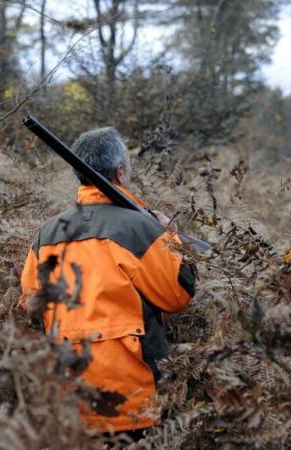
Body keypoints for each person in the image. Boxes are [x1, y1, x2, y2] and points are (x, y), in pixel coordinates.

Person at [20, 127, 195, 434]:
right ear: (119, 172)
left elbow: (31, 305)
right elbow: (180, 294)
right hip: (131, 399)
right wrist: (172, 237)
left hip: (67, 400)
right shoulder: (140, 229)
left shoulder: (46, 233)